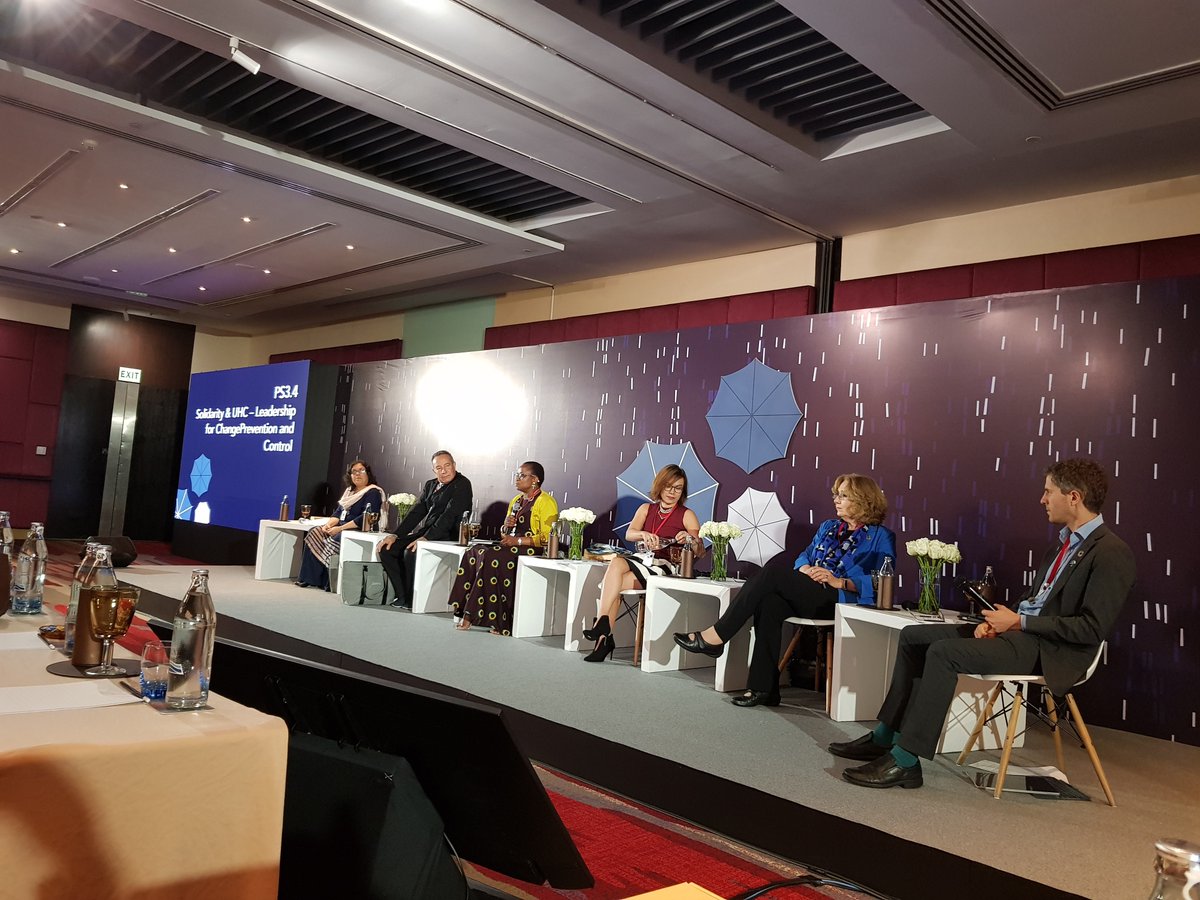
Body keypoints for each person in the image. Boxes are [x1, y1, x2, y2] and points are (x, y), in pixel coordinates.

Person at [831, 459, 1135, 791]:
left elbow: (1090, 628)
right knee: (914, 636)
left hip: (1052, 651)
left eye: (1049, 492)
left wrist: (1018, 622)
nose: (1042, 499)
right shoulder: (1062, 545)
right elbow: (1036, 600)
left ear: (1074, 497)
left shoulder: (1111, 552)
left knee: (944, 654)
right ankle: (885, 735)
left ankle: (905, 761)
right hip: (1021, 633)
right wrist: (997, 621)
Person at [674, 474, 895, 706]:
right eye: (836, 495)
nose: (836, 500)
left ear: (862, 500)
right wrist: (806, 568)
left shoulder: (881, 536)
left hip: (838, 599)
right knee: (770, 603)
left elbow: (882, 578)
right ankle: (764, 689)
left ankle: (717, 636)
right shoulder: (829, 527)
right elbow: (804, 556)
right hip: (811, 590)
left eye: (844, 496)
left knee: (772, 573)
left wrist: (840, 581)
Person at [582, 464, 705, 663]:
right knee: (617, 564)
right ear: (660, 485)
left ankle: (603, 636)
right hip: (642, 559)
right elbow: (630, 534)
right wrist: (643, 534)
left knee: (612, 585)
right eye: (668, 486)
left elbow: (700, 551)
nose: (672, 492)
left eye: (678, 488)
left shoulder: (687, 514)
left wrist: (690, 539)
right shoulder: (646, 509)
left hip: (663, 565)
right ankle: (603, 628)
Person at [449, 461, 558, 634]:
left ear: (535, 479)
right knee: (474, 551)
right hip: (511, 545)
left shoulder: (546, 502)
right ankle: (463, 611)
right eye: (517, 475)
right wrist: (505, 526)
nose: (517, 479)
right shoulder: (516, 500)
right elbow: (504, 534)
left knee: (493, 556)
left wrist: (518, 541)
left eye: (522, 475)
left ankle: (493, 620)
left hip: (531, 548)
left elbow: (547, 537)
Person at [377, 450, 473, 609]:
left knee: (411, 551)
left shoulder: (462, 484)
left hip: (449, 534)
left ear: (454, 465)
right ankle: (402, 595)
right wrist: (395, 535)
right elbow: (417, 512)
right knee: (387, 549)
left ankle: (412, 598)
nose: (444, 471)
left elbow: (449, 516)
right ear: (434, 470)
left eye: (447, 466)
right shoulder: (431, 485)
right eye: (439, 468)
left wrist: (426, 538)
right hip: (428, 532)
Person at [295, 460, 386, 590]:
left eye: (361, 471)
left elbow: (365, 517)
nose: (357, 474)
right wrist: (327, 525)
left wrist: (340, 528)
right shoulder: (349, 491)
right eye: (354, 472)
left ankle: (328, 581)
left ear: (368, 474)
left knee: (335, 538)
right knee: (315, 531)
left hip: (357, 529)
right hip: (340, 527)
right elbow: (338, 513)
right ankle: (308, 578)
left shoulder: (373, 492)